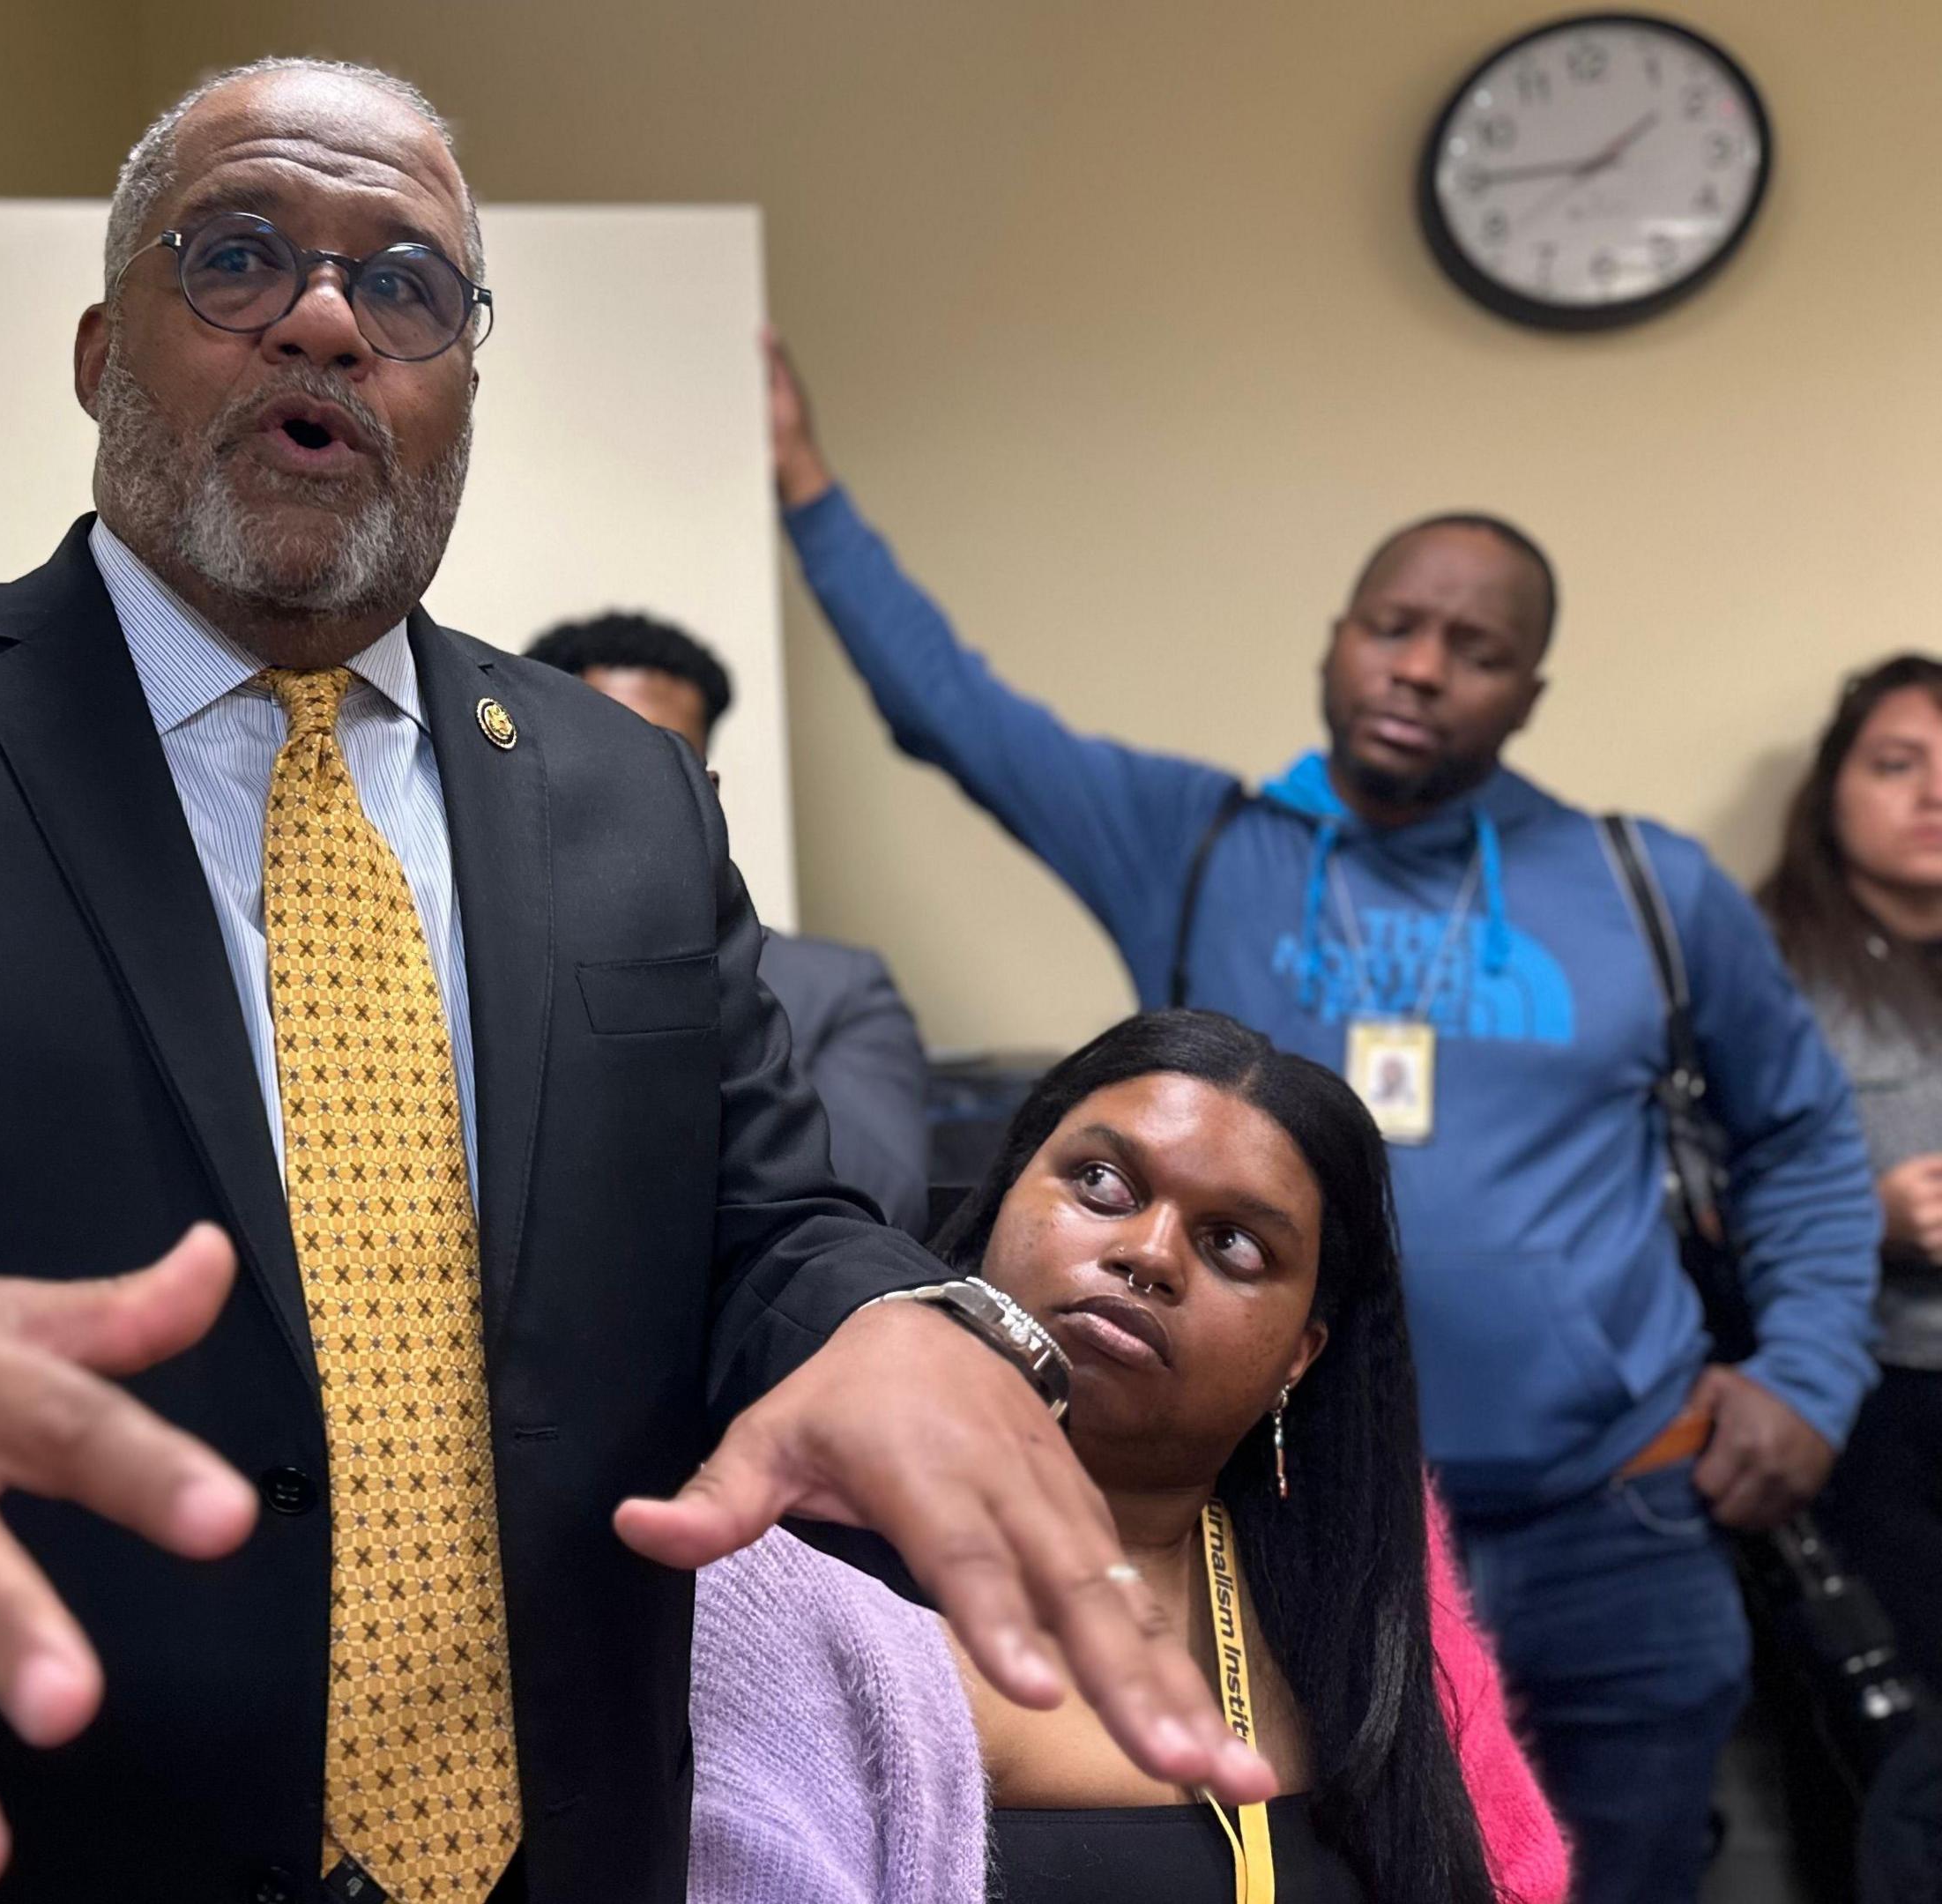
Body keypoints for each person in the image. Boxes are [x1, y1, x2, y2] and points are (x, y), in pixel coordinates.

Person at [0, 58, 1272, 1904]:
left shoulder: (620, 793)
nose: (324, 316)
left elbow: (761, 1222)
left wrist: (889, 1316)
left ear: (461, 385)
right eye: (238, 256)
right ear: (99, 351)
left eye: (405, 285)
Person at [763, 334, 1881, 1900]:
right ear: (1337, 641)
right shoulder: (1203, 843)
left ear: (1529, 689)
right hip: (1307, 1542)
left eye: (1473, 649)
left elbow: (1808, 1146)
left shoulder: (1646, 888)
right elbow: (958, 712)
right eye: (1394, 627)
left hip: (1608, 1529)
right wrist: (805, 486)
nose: (1421, 668)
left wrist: (1811, 1376)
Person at [691, 1010, 1567, 1903]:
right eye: (1102, 1184)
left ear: (1299, 1355)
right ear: (1000, 1202)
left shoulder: (1355, 1586)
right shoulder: (796, 1574)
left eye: (1234, 1245)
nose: (1148, 1255)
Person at [524, 611, 934, 1227]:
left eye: (662, 764)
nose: (630, 796)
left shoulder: (837, 989)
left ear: (707, 792)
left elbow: (873, 1212)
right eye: (600, 761)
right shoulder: (463, 959)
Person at [1760, 654, 1942, 1690]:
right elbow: (1680, 1196)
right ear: (1833, 788)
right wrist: (1862, 1219)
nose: (1936, 794)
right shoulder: (1762, 961)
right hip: (1862, 1399)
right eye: (1898, 764)